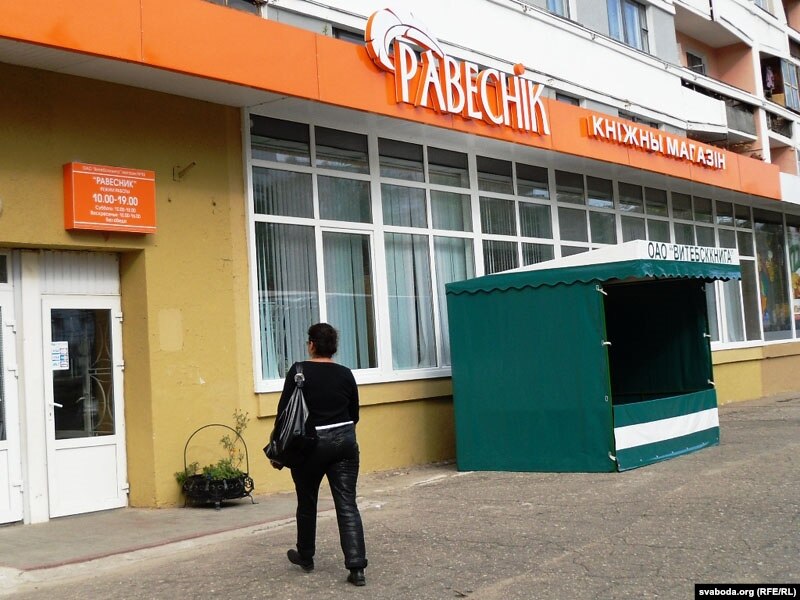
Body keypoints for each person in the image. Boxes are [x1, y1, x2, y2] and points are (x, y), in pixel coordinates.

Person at [274, 323, 368, 586]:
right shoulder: (345, 374)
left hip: (309, 446)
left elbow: (284, 414)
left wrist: (278, 451)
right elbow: (354, 414)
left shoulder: (299, 372)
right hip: (345, 442)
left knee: (307, 502)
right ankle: (357, 567)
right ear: (333, 347)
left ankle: (305, 556)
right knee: (347, 504)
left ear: (312, 345)